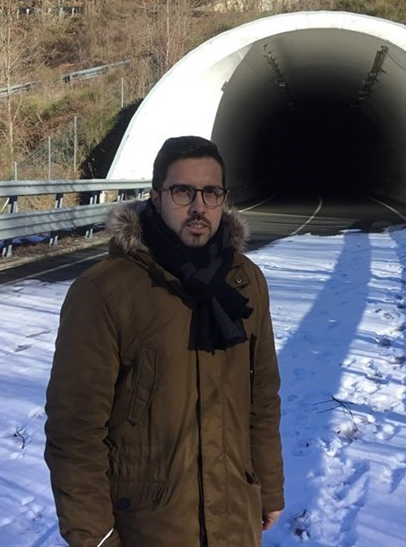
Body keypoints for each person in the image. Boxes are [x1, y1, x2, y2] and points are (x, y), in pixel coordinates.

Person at [44, 136, 284, 547]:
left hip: (234, 516)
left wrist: (269, 487)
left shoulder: (244, 281)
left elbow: (261, 396)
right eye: (182, 191)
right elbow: (76, 428)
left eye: (211, 193)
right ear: (155, 198)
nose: (198, 206)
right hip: (149, 525)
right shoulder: (106, 290)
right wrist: (95, 537)